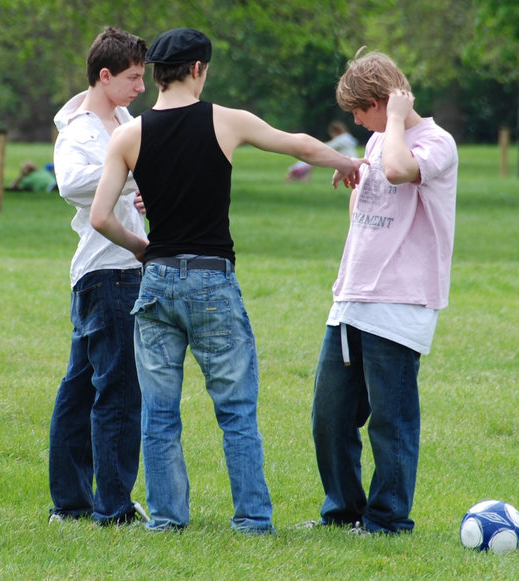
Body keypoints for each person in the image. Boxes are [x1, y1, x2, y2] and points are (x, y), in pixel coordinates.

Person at [89, 27, 366, 535]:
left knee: (159, 413)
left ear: (155, 74)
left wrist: (143, 249)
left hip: (155, 286)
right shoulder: (225, 121)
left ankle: (168, 519)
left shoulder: (128, 135)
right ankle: (253, 520)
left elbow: (102, 217)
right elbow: (297, 145)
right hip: (212, 284)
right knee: (236, 411)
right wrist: (349, 161)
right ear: (198, 69)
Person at [307, 50, 458, 535]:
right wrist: (355, 171)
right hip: (353, 298)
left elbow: (398, 171)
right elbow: (371, 200)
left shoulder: (437, 142)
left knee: (390, 422)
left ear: (382, 102)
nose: (355, 120)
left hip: (400, 302)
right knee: (329, 416)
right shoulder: (377, 143)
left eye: (360, 110)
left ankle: (387, 519)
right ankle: (343, 512)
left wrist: (394, 121)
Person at [47, 26, 150, 527]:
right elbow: (70, 183)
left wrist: (137, 190)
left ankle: (70, 505)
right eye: (132, 78)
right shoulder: (82, 129)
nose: (141, 87)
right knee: (118, 391)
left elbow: (119, 185)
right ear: (104, 75)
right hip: (110, 271)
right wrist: (131, 172)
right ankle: (113, 509)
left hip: (106, 270)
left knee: (81, 387)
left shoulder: (122, 118)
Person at [285, 121, 358, 183]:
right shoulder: (347, 137)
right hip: (351, 160)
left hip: (348, 162)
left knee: (311, 160)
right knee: (311, 161)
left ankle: (296, 172)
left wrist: (314, 145)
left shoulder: (341, 140)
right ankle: (302, 177)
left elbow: (327, 146)